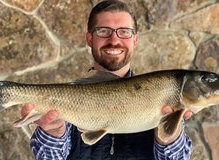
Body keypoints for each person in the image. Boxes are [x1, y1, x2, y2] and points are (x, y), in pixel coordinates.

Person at [21, 0, 193, 159]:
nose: (114, 40)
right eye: (104, 31)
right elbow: (48, 157)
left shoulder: (163, 97)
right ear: (90, 39)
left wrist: (169, 136)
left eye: (124, 32)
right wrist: (54, 132)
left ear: (135, 40)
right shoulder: (68, 98)